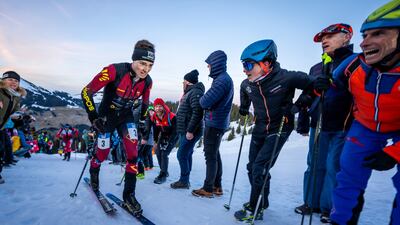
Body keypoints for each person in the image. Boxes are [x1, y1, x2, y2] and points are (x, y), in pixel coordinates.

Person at [319, 1, 400, 224]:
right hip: (364, 126)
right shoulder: (355, 66)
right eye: (365, 35)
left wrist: (395, 153)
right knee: (348, 178)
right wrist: (321, 87)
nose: (365, 43)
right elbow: (333, 88)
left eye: (379, 33)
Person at [234, 39, 317, 221]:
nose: (244, 69)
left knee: (259, 167)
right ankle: (261, 202)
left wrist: (299, 105)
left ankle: (255, 208)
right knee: (252, 167)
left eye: (248, 65)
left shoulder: (286, 77)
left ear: (266, 63)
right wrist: (244, 106)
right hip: (260, 127)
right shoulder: (248, 83)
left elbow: (315, 85)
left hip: (280, 127)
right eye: (243, 65)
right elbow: (243, 88)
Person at [81, 39, 155, 216]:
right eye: (142, 63)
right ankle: (94, 174)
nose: (145, 69)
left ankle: (129, 195)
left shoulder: (147, 81)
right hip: (107, 117)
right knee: (103, 152)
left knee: (133, 154)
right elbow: (86, 91)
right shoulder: (114, 70)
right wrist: (93, 117)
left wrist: (144, 123)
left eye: (150, 65)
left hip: (126, 116)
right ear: (134, 60)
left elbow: (145, 104)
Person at [294, 23, 354, 223]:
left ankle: (329, 207)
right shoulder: (317, 67)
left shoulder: (354, 62)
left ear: (346, 37)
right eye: (322, 39)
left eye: (330, 36)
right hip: (318, 124)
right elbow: (308, 96)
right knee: (314, 165)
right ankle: (311, 202)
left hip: (342, 125)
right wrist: (302, 120)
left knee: (333, 167)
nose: (324, 41)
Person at [192, 50, 234, 198]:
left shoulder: (222, 81)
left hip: (215, 123)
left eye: (209, 65)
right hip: (218, 122)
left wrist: (204, 99)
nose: (208, 68)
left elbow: (204, 102)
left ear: (216, 64)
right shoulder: (223, 79)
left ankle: (208, 188)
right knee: (215, 154)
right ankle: (217, 186)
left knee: (210, 156)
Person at [170, 69, 205, 189]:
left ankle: (184, 181)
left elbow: (198, 112)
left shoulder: (195, 92)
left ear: (188, 82)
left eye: (183, 81)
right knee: (187, 153)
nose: (182, 84)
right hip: (184, 129)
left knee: (181, 154)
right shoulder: (189, 92)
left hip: (190, 131)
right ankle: (186, 179)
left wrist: (190, 131)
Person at [143, 98, 178, 184]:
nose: (158, 108)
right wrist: (155, 140)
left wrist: (169, 141)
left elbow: (175, 131)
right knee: (158, 152)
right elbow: (156, 129)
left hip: (173, 135)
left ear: (163, 107)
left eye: (160, 106)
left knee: (164, 153)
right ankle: (164, 171)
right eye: (156, 106)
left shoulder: (171, 116)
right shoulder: (154, 116)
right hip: (163, 134)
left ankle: (163, 174)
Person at [0, 71, 27, 184]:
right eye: (10, 79)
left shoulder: (15, 96)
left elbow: (15, 111)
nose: (13, 82)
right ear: (3, 80)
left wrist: (18, 115)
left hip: (1, 128)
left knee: (1, 150)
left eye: (16, 81)